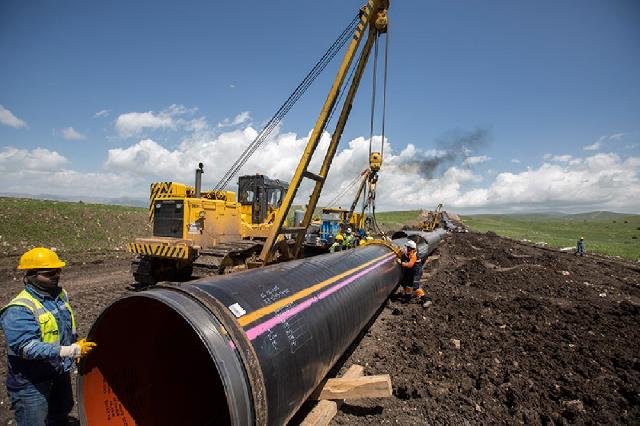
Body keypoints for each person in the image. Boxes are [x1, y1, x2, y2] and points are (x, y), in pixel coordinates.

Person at [0, 248, 96, 425]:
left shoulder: (60, 296)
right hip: (31, 383)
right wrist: (71, 350)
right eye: (49, 273)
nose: (56, 276)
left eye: (58, 271)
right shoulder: (19, 309)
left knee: (60, 416)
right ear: (31, 275)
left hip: (58, 373)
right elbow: (26, 348)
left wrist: (74, 343)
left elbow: (63, 329)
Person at [399, 240, 431, 307]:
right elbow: (406, 255)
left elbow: (410, 265)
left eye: (407, 247)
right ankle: (407, 297)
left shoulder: (414, 255)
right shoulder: (410, 253)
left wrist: (402, 263)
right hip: (412, 271)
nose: (406, 248)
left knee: (415, 286)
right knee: (409, 284)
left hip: (416, 272)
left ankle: (426, 300)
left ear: (410, 248)